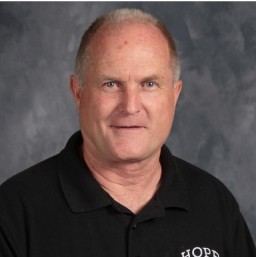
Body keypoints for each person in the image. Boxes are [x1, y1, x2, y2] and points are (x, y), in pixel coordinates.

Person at [0, 8, 255, 257]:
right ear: (78, 93)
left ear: (174, 95)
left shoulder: (214, 203)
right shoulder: (13, 212)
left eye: (149, 84)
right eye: (110, 84)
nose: (131, 106)